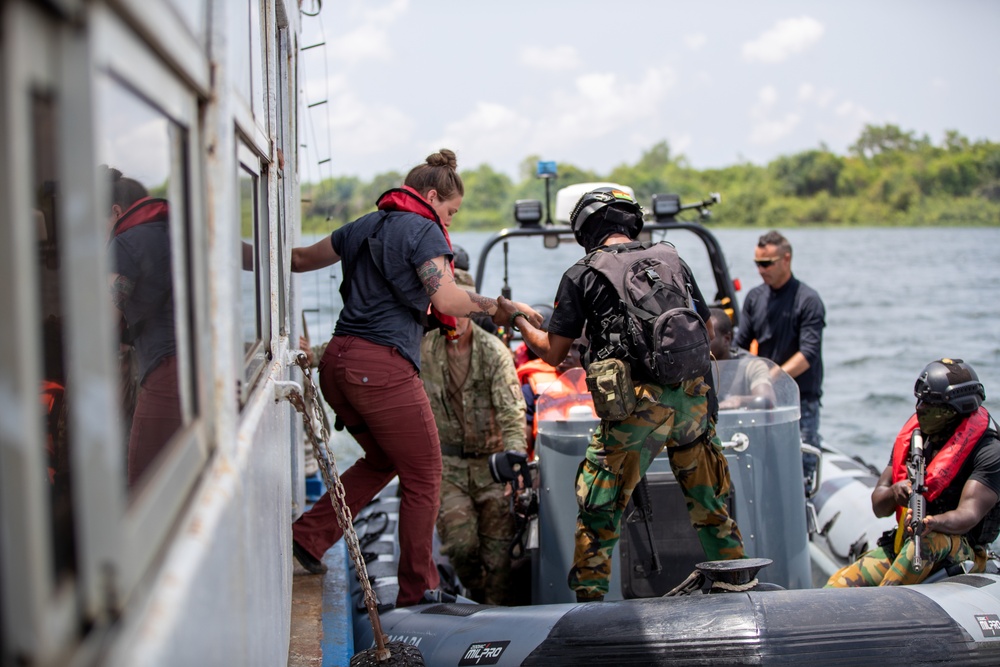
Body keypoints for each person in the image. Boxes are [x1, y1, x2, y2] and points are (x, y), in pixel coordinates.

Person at [287, 149, 541, 608]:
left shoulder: (363, 224)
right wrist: (500, 306)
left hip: (338, 364)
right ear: (430, 198)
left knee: (382, 460)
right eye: (451, 212)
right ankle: (417, 592)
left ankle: (307, 536)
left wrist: (221, 249)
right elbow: (446, 300)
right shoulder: (423, 229)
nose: (450, 222)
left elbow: (300, 258)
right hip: (379, 368)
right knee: (425, 475)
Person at [493, 187, 744, 602]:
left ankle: (590, 611)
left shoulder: (583, 273)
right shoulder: (672, 258)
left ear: (586, 230)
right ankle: (740, 590)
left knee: (600, 512)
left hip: (636, 412)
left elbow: (554, 353)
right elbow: (709, 330)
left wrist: (517, 317)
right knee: (712, 509)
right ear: (631, 223)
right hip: (693, 402)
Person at [826, 359, 1000, 587]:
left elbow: (968, 515)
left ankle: (882, 605)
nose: (920, 408)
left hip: (959, 546)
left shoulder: (988, 450)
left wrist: (932, 522)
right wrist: (895, 493)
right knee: (839, 585)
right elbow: (879, 507)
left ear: (956, 409)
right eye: (920, 401)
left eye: (930, 404)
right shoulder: (915, 438)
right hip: (907, 544)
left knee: (928, 541)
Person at [420, 268, 527, 605]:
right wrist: (317, 354)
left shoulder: (493, 352)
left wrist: (514, 455)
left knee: (499, 559)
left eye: (463, 308)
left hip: (491, 467)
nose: (456, 316)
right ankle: (476, 597)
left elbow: (511, 411)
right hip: (448, 467)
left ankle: (495, 615)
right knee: (462, 546)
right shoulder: (424, 348)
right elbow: (379, 354)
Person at [104, 166, 182, 487]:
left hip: (165, 373)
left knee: (141, 481)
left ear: (115, 212)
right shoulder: (174, 230)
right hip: (203, 366)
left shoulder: (123, 243)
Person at [733, 230, 825, 446]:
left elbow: (808, 353)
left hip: (800, 399)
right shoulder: (754, 298)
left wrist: (771, 376)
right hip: (763, 400)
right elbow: (739, 345)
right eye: (757, 263)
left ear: (786, 259)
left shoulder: (809, 300)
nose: (760, 270)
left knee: (802, 463)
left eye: (766, 263)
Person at [708, 308, 776, 410]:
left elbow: (767, 398)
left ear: (726, 339)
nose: (700, 344)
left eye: (707, 338)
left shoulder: (751, 365)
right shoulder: (694, 368)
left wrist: (738, 400)